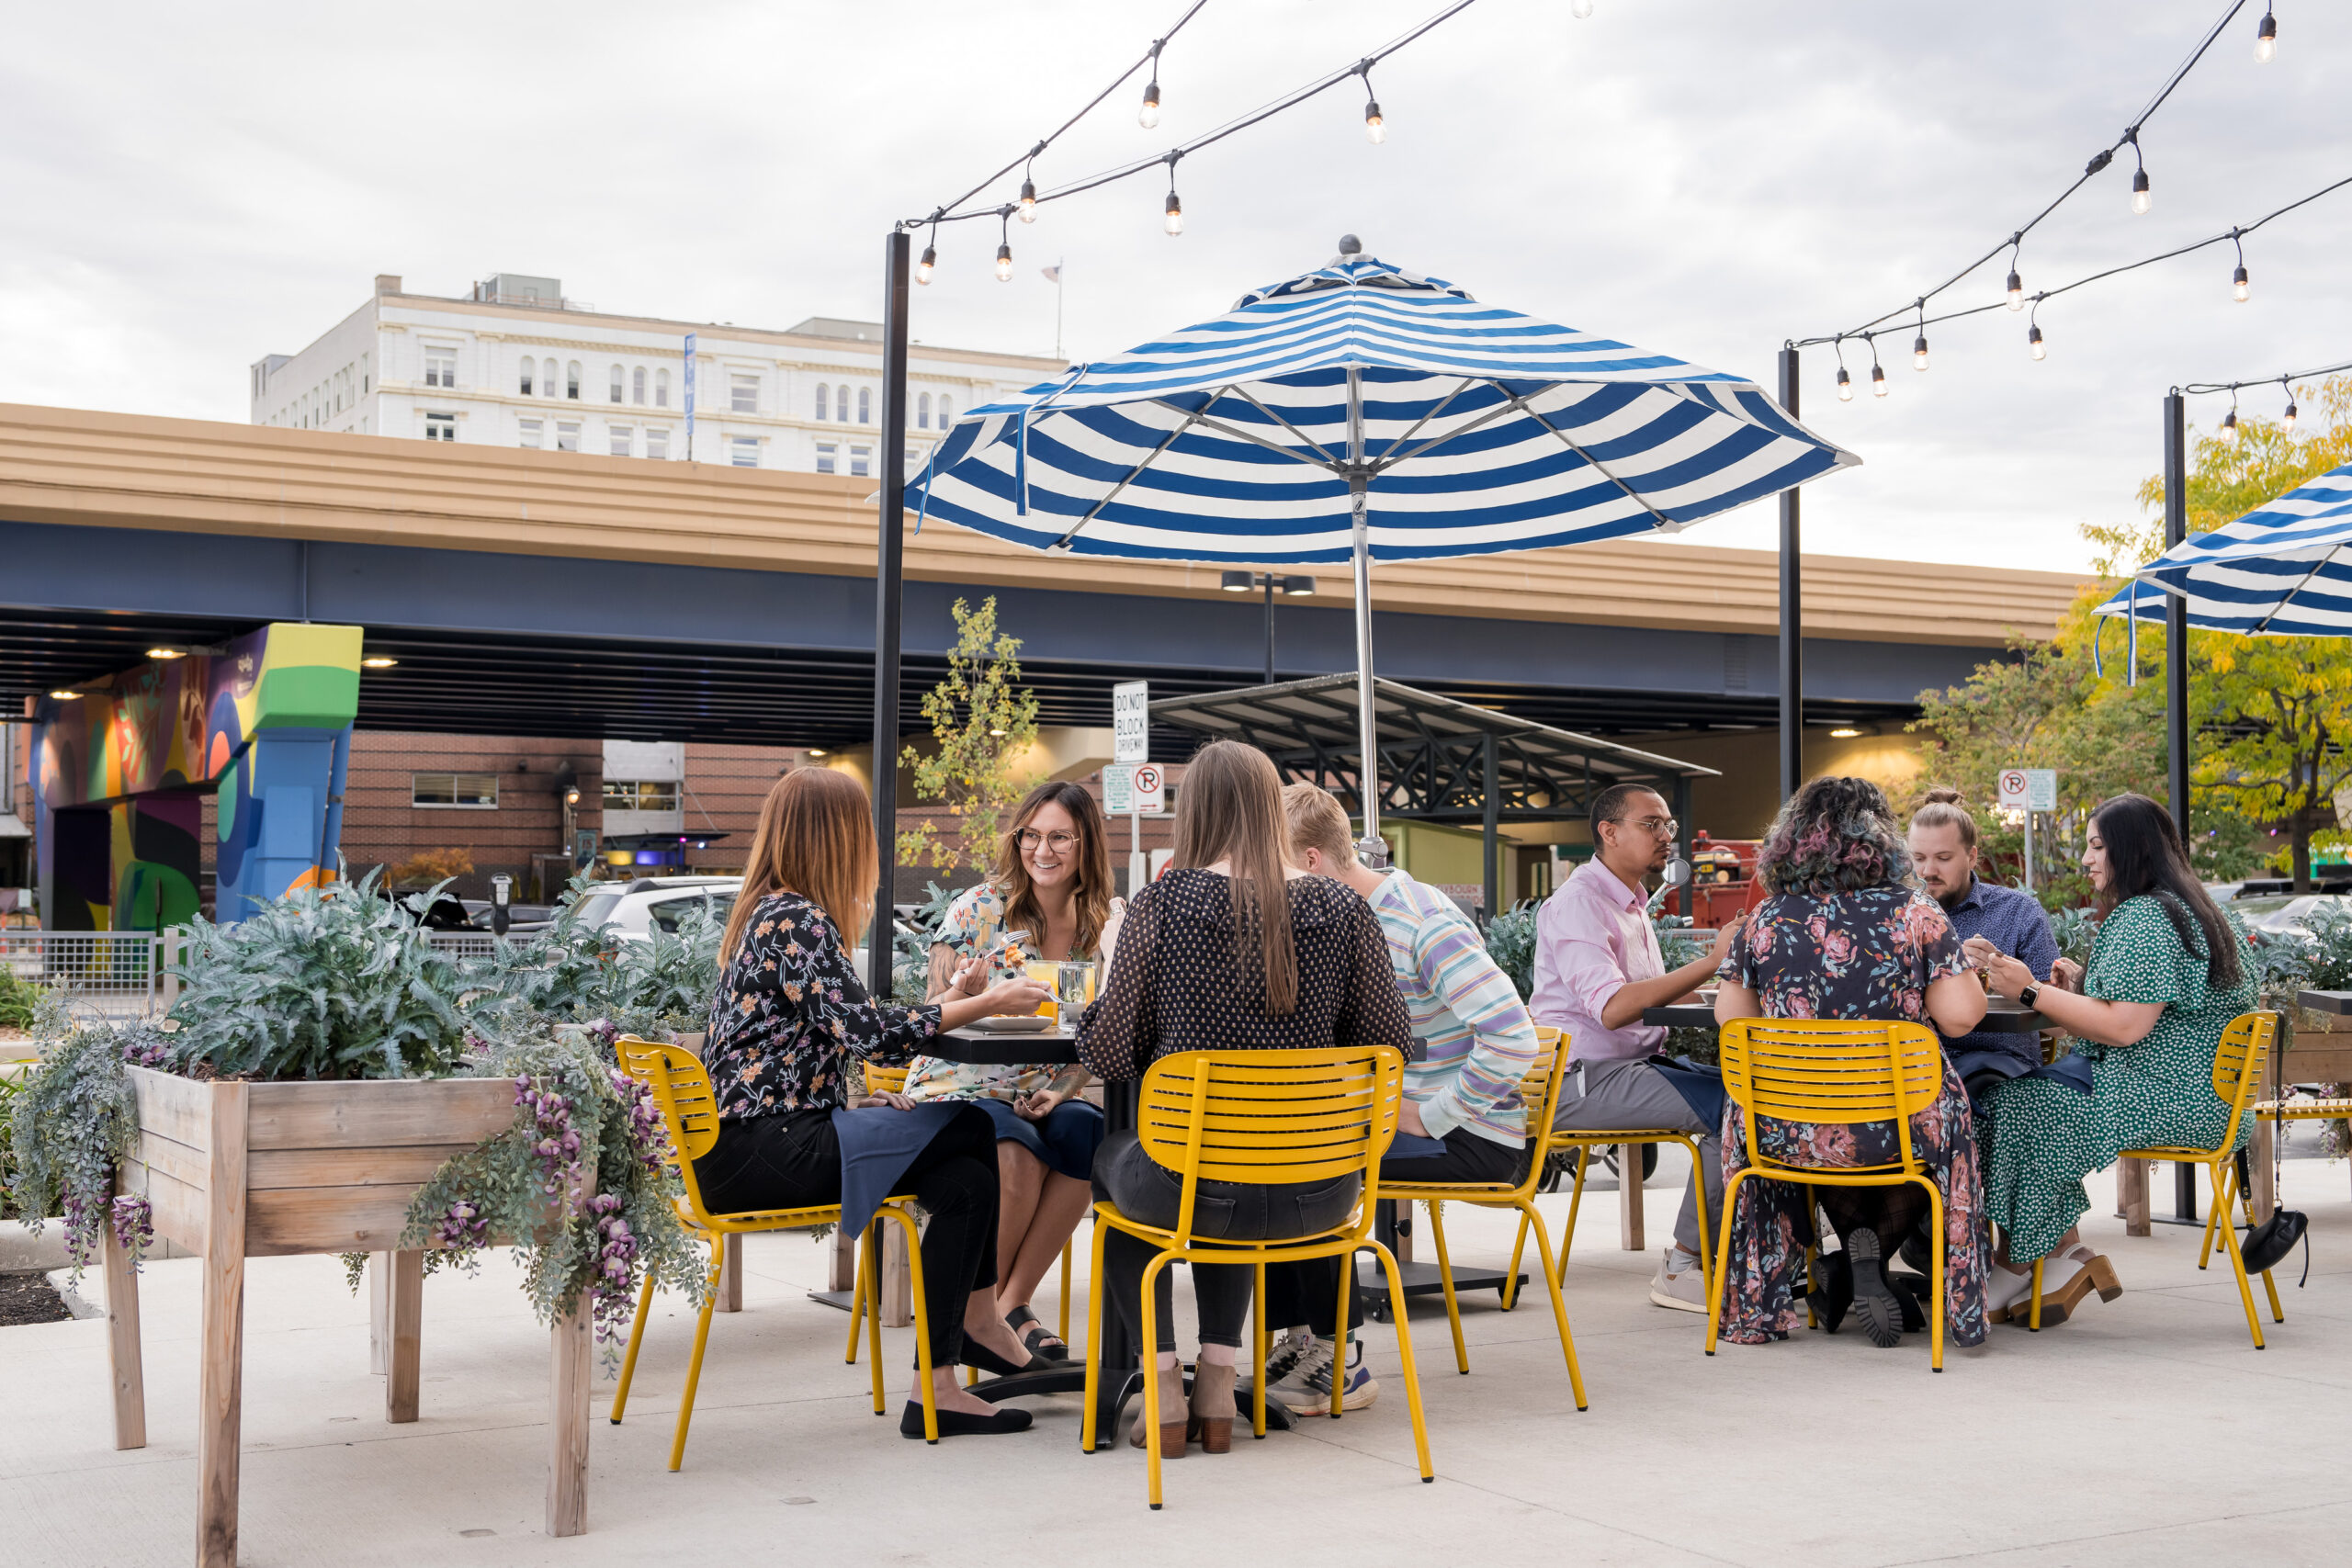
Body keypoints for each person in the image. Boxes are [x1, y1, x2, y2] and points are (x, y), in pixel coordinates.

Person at [1076, 740, 1412, 1460]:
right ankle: (1219, 1381)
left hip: (1197, 1186)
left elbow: (1108, 1054)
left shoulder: (1161, 905)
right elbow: (1389, 1044)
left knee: (1122, 1160)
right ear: (1269, 806)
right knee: (1226, 1158)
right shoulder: (1345, 910)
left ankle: (1163, 1377)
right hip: (1321, 1194)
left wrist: (1111, 961)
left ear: (1193, 809)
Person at [695, 766, 1054, 1438]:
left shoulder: (772, 911)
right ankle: (972, 1331)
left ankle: (939, 1383)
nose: (872, 847)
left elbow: (844, 1033)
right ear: (835, 838)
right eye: (864, 831)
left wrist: (951, 1000)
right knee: (972, 1123)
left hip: (751, 1143)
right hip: (767, 1148)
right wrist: (988, 1000)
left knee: (968, 1180)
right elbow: (875, 1039)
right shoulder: (796, 919)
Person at [1250, 782, 1544, 1416]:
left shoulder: (1422, 925)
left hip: (1470, 1135)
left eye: (1269, 871)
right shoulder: (1343, 921)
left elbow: (1514, 1037)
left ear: (1309, 863)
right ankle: (1302, 1340)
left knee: (1311, 1166)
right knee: (1269, 1153)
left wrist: (1427, 1114)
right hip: (1394, 1122)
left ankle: (1341, 1358)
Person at [1712, 775, 1992, 1350]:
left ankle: (1820, 1275)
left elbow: (1731, 1022)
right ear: (1880, 838)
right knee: (1941, 1134)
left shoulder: (1766, 920)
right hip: (1898, 1125)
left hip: (1785, 1130)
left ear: (1791, 840)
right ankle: (1893, 1271)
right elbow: (1962, 1016)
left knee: (1809, 1135)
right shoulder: (1916, 913)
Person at [1973, 792, 2256, 1325]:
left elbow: (2125, 1027)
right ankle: (2063, 1257)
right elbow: (2151, 1007)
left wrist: (2030, 990)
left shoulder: (2147, 918)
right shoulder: (2196, 909)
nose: (2087, 859)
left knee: (2011, 1108)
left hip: (2163, 1095)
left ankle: (2019, 1262)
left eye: (2097, 846)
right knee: (2024, 1099)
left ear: (2132, 850)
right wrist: (2081, 984)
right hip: (2203, 1095)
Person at [903, 781, 1116, 1362]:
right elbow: (934, 1008)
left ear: (1085, 845)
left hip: (1039, 1086)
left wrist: (1061, 1090)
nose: (1042, 851)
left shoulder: (1098, 926)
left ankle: (1008, 1305)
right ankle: (977, 1316)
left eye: (1059, 838)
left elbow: (1095, 1034)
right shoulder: (979, 907)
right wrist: (965, 990)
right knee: (1017, 1152)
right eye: (1031, 835)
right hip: (960, 1083)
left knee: (1089, 1134)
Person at [1530, 782, 1742, 1312]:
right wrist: (1713, 961)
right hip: (1581, 1078)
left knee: (1759, 1089)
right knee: (1733, 1108)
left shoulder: (1628, 901)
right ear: (1609, 831)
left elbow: (1648, 995)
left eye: (1668, 825)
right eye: (1652, 824)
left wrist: (1719, 987)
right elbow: (1613, 1008)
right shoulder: (1579, 904)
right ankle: (1684, 1265)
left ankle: (1744, 1253)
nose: (1666, 835)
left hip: (1628, 1066)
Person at [1907, 788, 2061, 1099]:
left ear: (1972, 857)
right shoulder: (1897, 915)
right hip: (1913, 1066)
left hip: (1999, 1068)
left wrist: (2004, 978)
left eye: (1943, 858)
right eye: (1918, 858)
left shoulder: (2018, 911)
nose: (1928, 871)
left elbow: (2057, 1023)